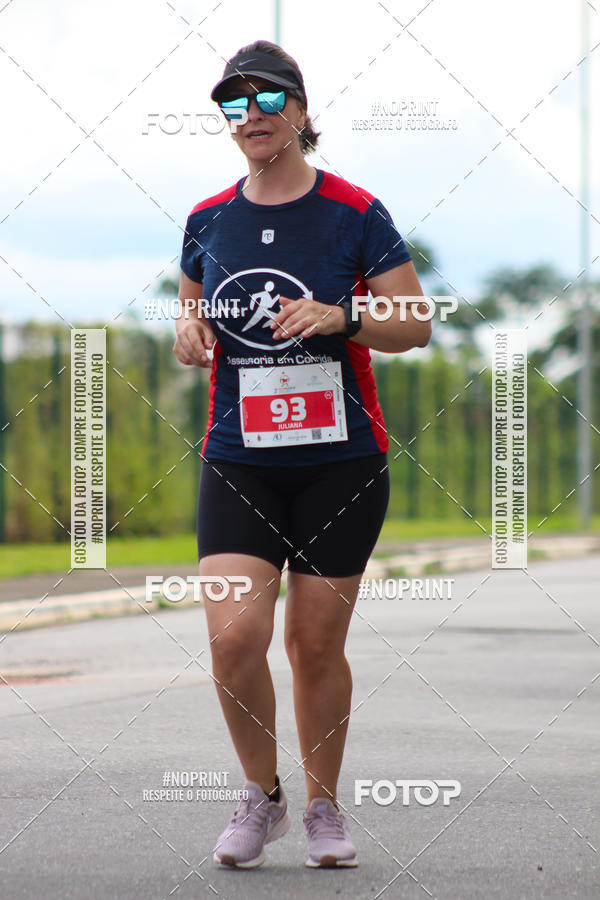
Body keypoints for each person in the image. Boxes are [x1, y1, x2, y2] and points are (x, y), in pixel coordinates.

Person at [173, 39, 431, 870]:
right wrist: (188, 327)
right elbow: (191, 308)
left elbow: (416, 323)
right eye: (234, 105)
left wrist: (340, 317)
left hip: (340, 464)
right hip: (238, 462)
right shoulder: (207, 219)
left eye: (267, 100)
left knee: (314, 646)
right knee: (232, 639)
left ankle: (323, 806)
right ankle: (264, 798)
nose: (251, 117)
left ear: (301, 111)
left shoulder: (355, 211)